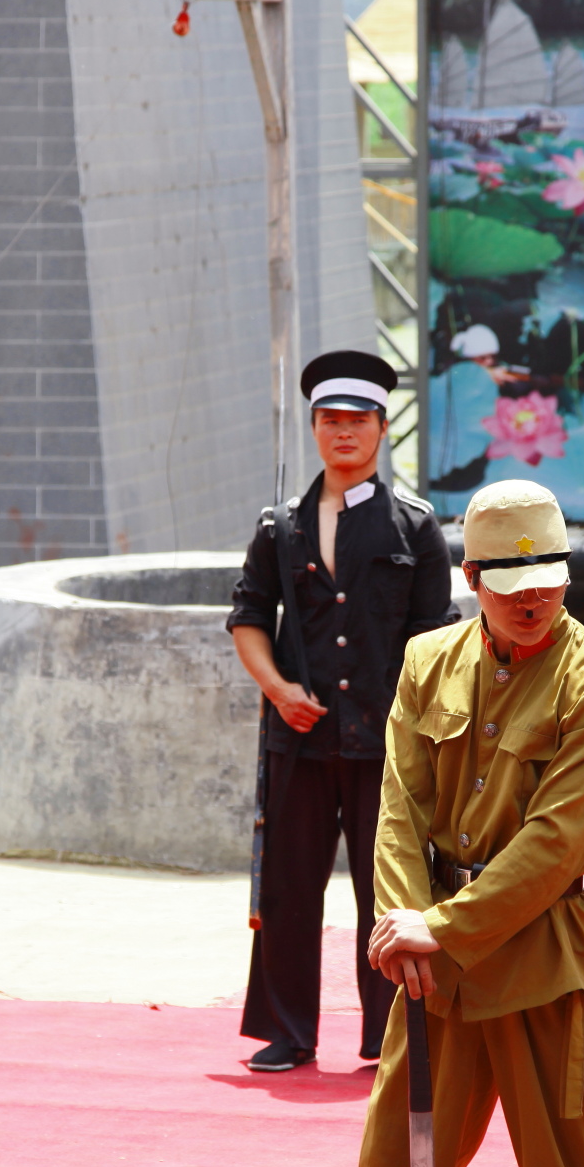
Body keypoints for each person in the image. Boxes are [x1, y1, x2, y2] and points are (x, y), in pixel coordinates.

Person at [348, 480, 584, 1167]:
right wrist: (403, 923)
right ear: (472, 577)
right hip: (433, 971)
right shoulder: (428, 661)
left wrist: (440, 928)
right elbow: (400, 808)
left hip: (545, 966)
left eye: (548, 581)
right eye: (513, 586)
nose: (533, 601)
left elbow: (555, 845)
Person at [228, 350, 458, 1072]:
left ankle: (387, 1033)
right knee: (288, 889)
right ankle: (287, 1030)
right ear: (314, 430)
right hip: (297, 739)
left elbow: (436, 636)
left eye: (358, 421)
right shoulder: (280, 526)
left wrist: (420, 728)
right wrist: (278, 689)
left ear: (383, 429)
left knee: (387, 889)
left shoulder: (413, 527)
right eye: (329, 420)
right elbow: (247, 617)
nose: (343, 432)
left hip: (387, 744)